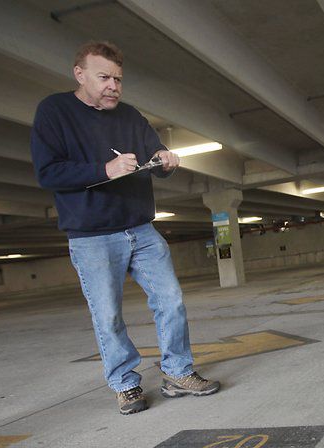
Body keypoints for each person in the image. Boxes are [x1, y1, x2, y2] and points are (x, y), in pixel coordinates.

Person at [30, 41, 219, 415]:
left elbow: (153, 151)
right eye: (104, 78)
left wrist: (165, 158)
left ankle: (178, 372)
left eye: (118, 79)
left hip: (141, 228)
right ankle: (126, 384)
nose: (113, 86)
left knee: (171, 300)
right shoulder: (55, 111)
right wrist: (104, 170)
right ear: (79, 74)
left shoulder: (130, 115)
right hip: (92, 236)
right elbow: (47, 171)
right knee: (108, 315)